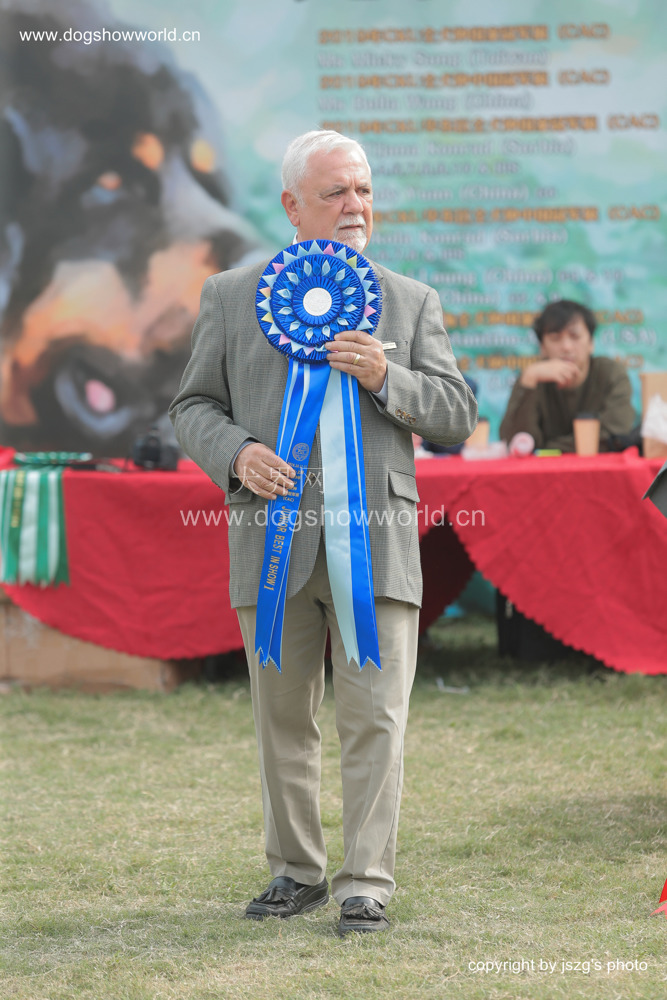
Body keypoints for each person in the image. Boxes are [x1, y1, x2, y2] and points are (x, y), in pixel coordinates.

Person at [169, 130, 477, 936]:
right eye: (335, 191)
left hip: (376, 542)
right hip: (268, 545)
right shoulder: (230, 297)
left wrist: (385, 376)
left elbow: (455, 414)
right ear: (291, 205)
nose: (354, 205)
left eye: (363, 190)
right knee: (281, 720)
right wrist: (237, 453)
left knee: (374, 718)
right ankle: (294, 871)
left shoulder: (409, 300)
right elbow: (192, 407)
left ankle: (364, 883)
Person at [499, 299, 635, 451]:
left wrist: (548, 448)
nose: (566, 347)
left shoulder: (611, 374)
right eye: (555, 338)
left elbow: (615, 435)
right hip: (543, 466)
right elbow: (515, 442)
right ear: (542, 347)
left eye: (575, 337)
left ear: (591, 343)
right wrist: (529, 381)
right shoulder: (533, 376)